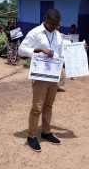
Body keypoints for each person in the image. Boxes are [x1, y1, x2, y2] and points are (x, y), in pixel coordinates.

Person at [18, 8, 64, 152]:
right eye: (52, 23)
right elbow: (21, 50)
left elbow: (62, 52)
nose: (54, 26)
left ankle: (46, 132)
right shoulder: (35, 32)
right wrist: (38, 50)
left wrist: (81, 49)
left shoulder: (58, 35)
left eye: (56, 24)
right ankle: (31, 136)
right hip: (40, 76)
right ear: (45, 18)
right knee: (37, 107)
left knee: (48, 106)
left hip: (53, 76)